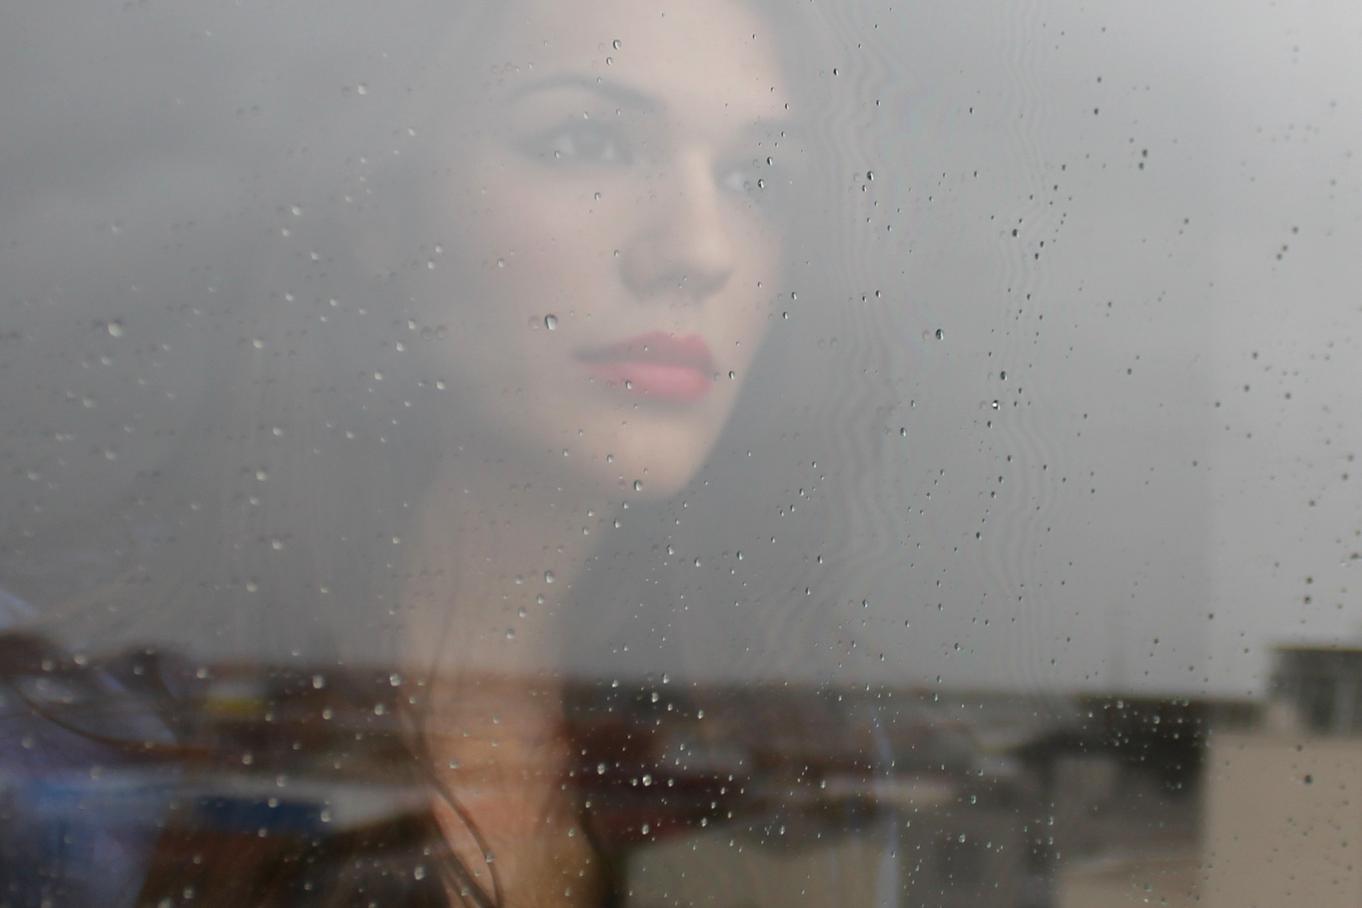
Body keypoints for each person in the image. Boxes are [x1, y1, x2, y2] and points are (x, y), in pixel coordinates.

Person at [0, 1, 843, 905]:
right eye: (585, 143)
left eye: (756, 177)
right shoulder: (64, 742)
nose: (700, 251)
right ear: (384, 209)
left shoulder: (812, 765)